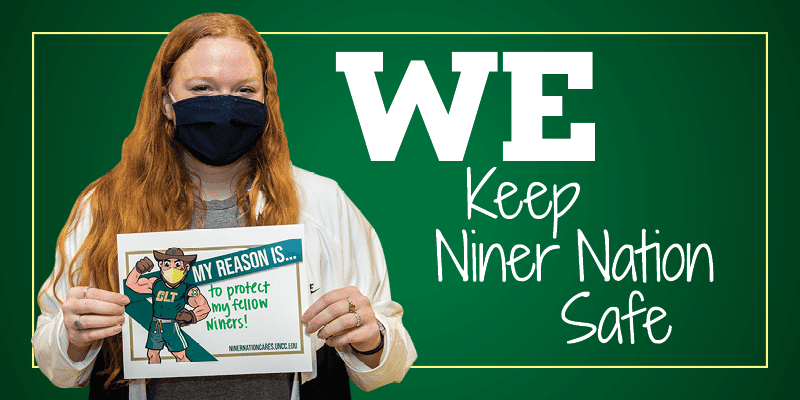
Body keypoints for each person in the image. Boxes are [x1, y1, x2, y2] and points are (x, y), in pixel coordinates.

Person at [32, 12, 416, 400]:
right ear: (166, 100)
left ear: (267, 98)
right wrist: (73, 335)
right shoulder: (104, 203)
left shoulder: (322, 201)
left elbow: (390, 367)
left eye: (245, 91)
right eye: (201, 88)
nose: (224, 107)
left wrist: (373, 338)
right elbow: (57, 365)